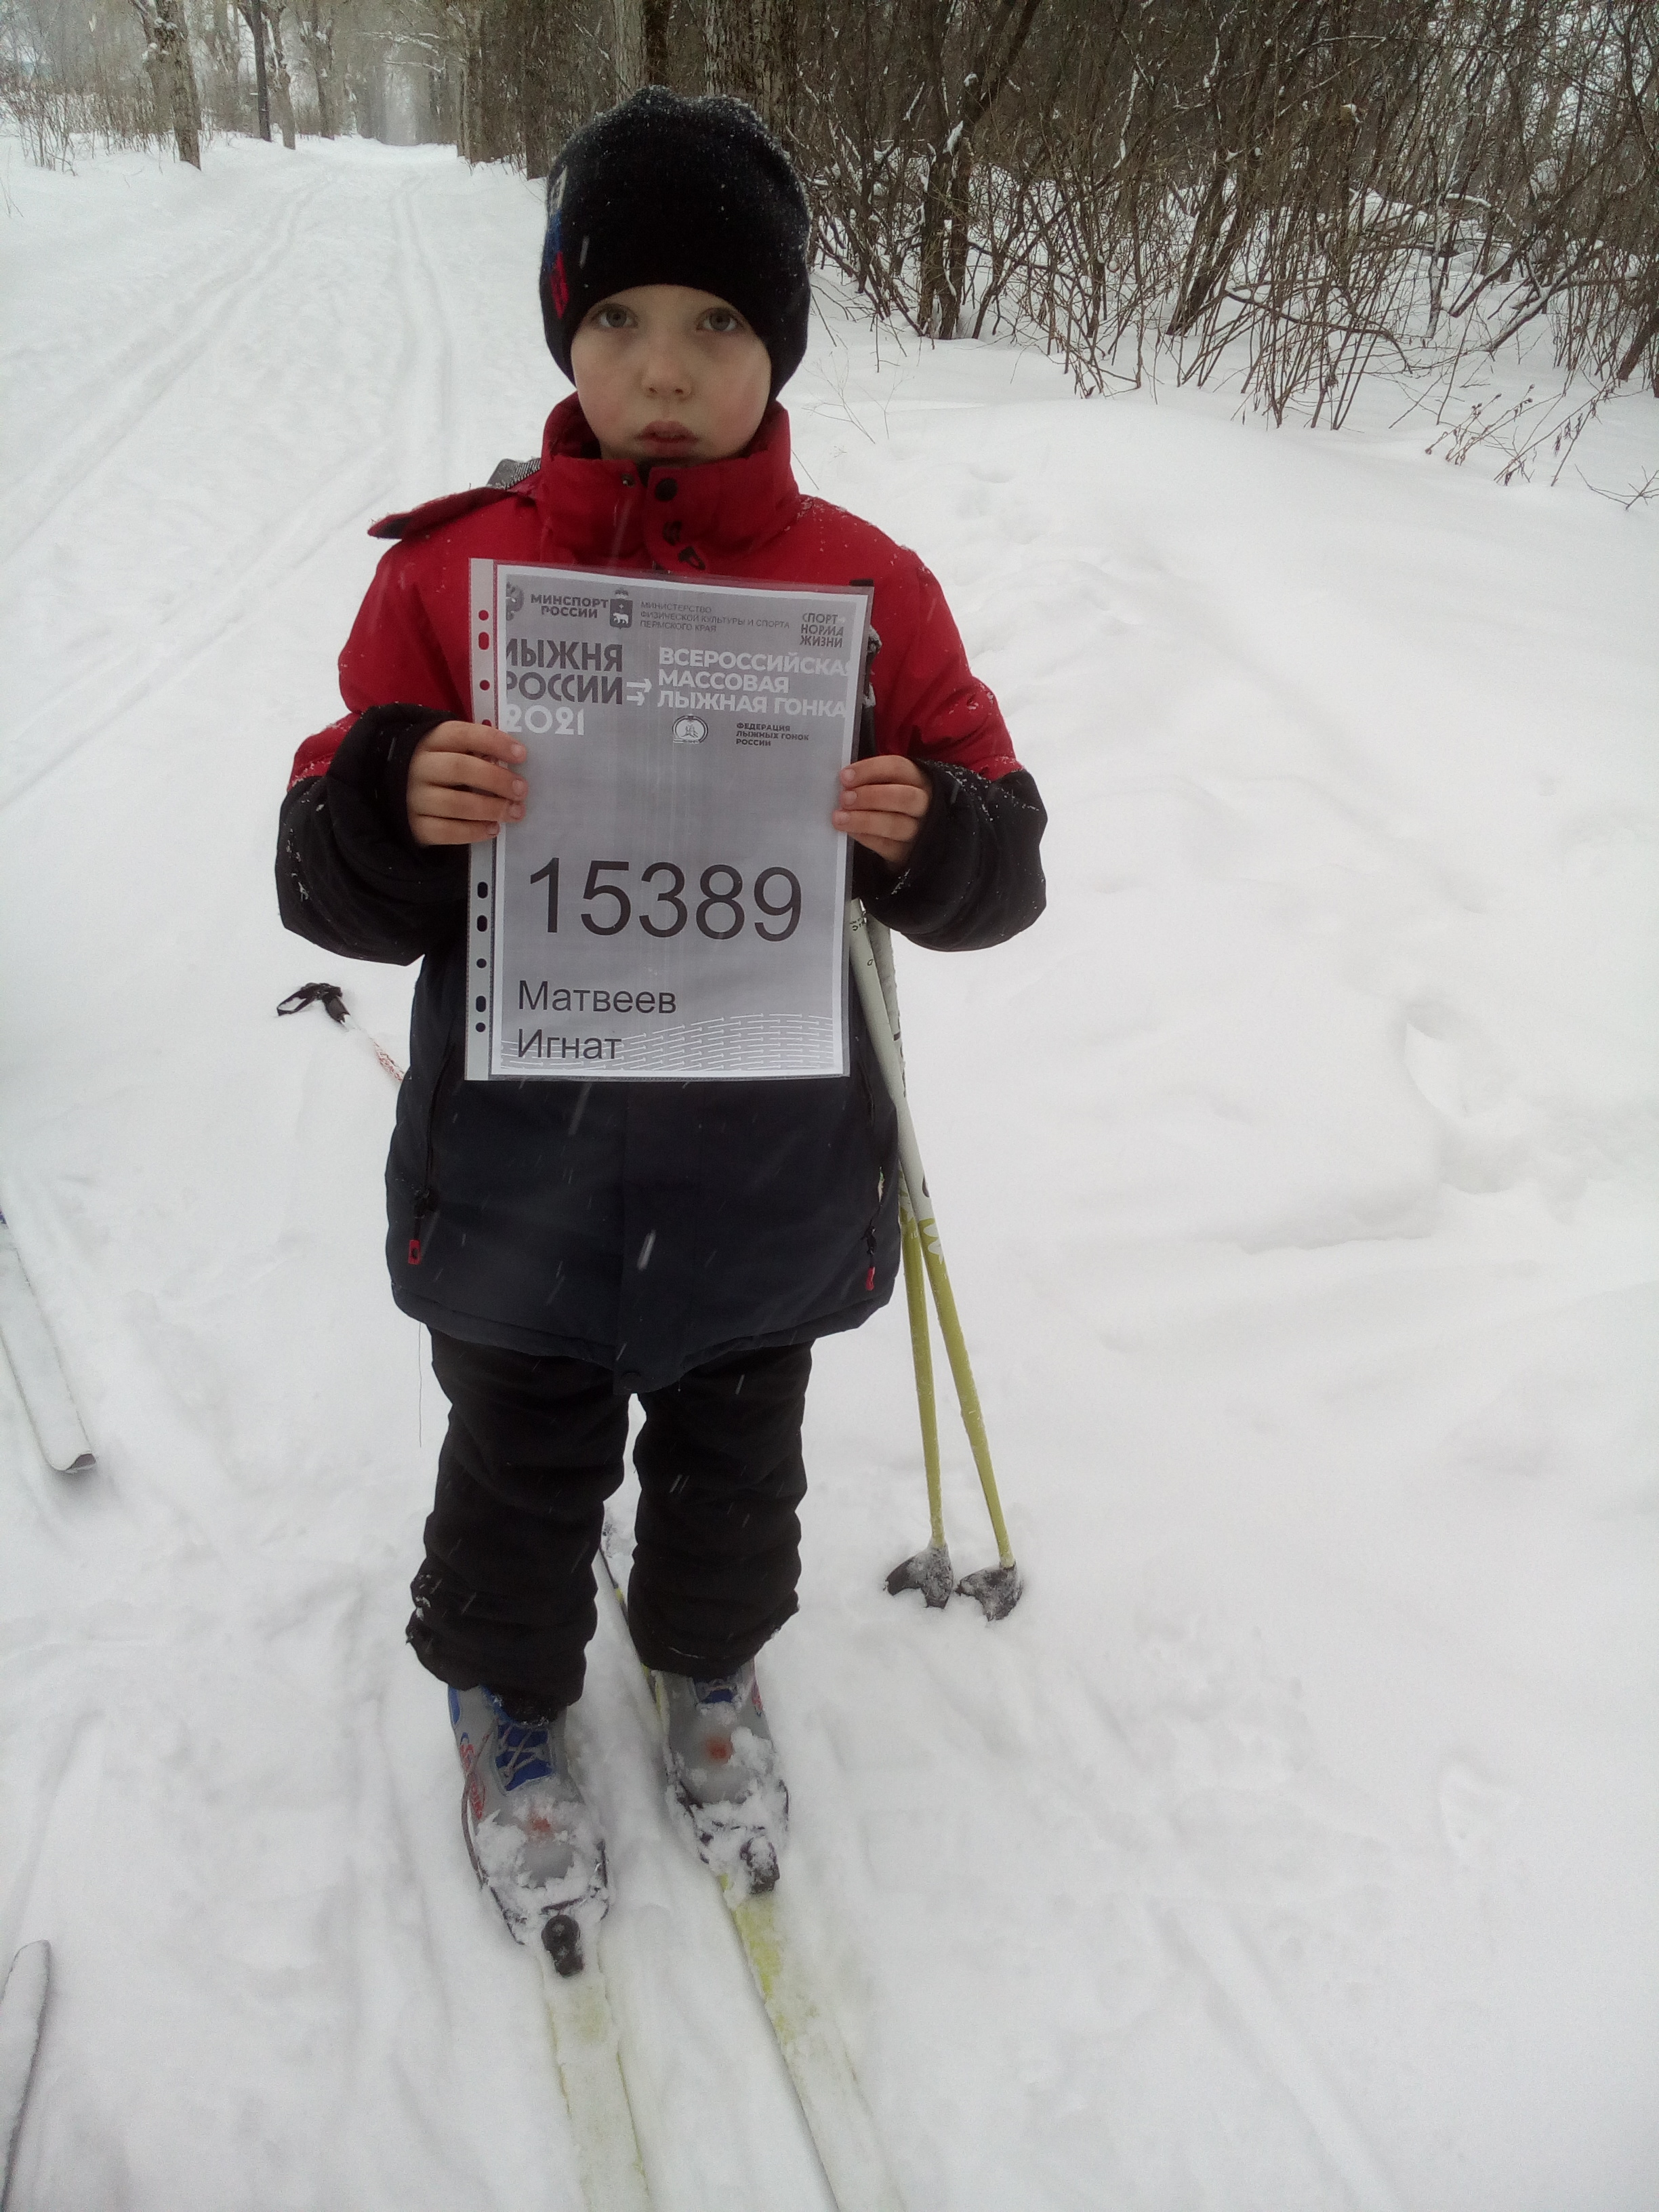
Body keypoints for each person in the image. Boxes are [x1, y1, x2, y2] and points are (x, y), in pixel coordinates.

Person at [276, 87, 1046, 1965]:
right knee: (519, 1469)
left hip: (765, 1172)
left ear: (779, 345)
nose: (666, 369)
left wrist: (933, 831)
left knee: (736, 1472)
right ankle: (509, 1700)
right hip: (522, 1168)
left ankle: (708, 1665)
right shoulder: (455, 576)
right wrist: (392, 798)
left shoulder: (865, 593)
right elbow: (321, 871)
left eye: (717, 322)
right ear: (565, 326)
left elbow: (1005, 859)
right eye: (618, 318)